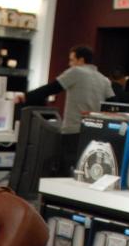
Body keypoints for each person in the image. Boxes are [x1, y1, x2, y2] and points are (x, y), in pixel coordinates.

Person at [25, 45, 114, 173]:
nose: (69, 64)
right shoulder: (104, 79)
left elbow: (52, 88)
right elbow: (112, 104)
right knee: (84, 169)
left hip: (73, 130)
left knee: (66, 169)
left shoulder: (76, 72)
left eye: (72, 60)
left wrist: (26, 96)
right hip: (93, 132)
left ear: (81, 60)